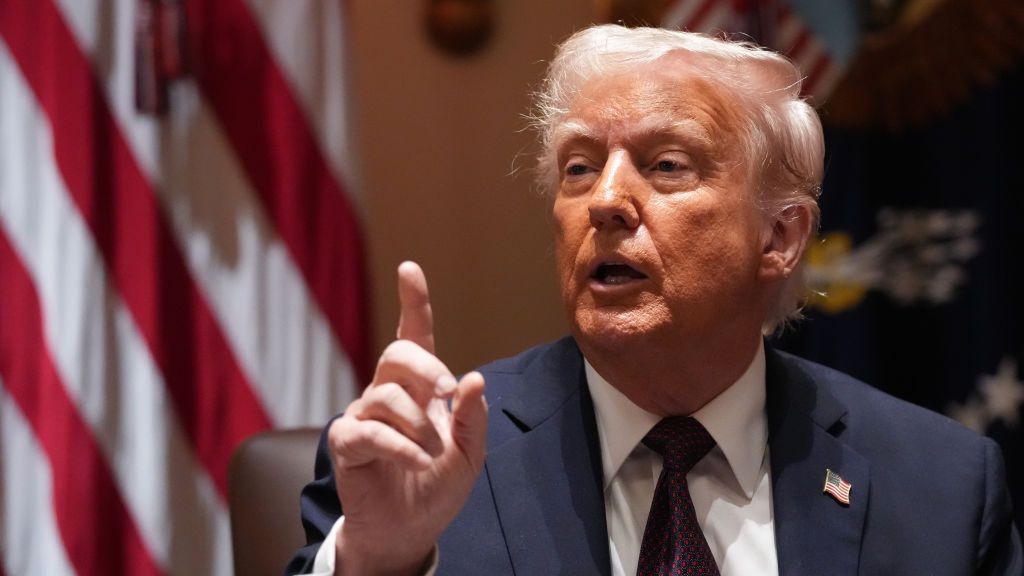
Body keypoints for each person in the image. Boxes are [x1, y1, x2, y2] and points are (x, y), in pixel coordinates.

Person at [286, 25, 1022, 575]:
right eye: (578, 167)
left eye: (666, 165)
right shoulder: (420, 467)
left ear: (780, 238)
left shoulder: (941, 492)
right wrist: (378, 563)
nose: (605, 200)